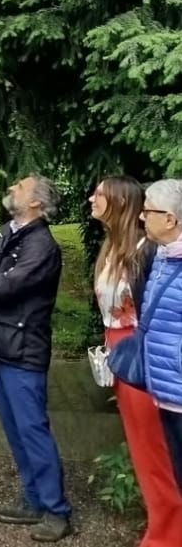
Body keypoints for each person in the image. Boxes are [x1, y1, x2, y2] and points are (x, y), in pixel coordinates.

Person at [0, 174, 72, 543]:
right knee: (15, 430)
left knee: (32, 430)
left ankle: (57, 511)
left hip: (23, 349)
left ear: (37, 202)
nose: (13, 187)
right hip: (0, 345)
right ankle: (32, 500)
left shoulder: (41, 245)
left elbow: (8, 285)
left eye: (21, 187)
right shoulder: (7, 233)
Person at [90, 176, 182, 547]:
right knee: (143, 447)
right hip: (123, 351)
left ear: (119, 202)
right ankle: (160, 526)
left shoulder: (145, 253)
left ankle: (168, 532)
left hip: (148, 355)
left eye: (100, 193)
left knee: (155, 449)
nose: (92, 198)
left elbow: (151, 313)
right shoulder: (112, 248)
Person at [140, 179, 182, 501]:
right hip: (168, 392)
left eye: (147, 210)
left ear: (170, 219)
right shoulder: (162, 255)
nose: (141, 217)